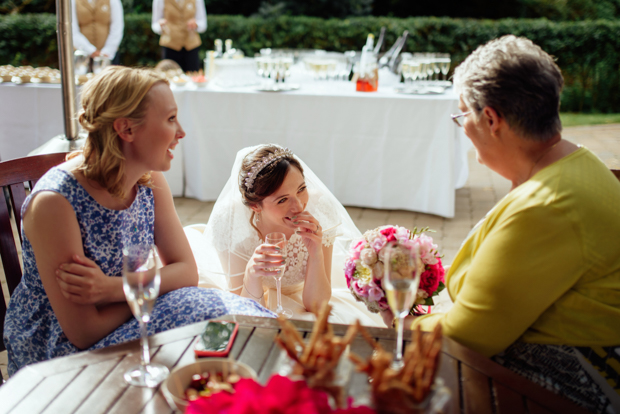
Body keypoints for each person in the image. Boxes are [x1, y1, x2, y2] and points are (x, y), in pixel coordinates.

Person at [383, 35, 620, 413]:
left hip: (579, 380)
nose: (462, 127)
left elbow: (467, 336)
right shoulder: (579, 163)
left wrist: (398, 325)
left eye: (463, 115)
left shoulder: (548, 205)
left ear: (491, 119)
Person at [3, 67, 274, 376]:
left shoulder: (149, 180)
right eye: (171, 119)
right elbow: (84, 331)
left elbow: (187, 272)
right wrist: (151, 293)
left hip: (129, 320)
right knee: (215, 320)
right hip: (59, 355)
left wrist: (112, 289)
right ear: (126, 129)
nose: (181, 132)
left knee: (236, 327)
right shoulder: (55, 202)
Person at [185, 144, 385, 327]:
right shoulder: (230, 223)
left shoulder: (320, 209)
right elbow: (244, 311)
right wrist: (252, 274)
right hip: (253, 300)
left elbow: (317, 307)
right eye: (282, 200)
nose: (298, 206)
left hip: (308, 297)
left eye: (301, 189)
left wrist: (315, 251)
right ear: (256, 206)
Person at [151, 0, 206, 72]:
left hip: (191, 45)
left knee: (192, 76)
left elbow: (203, 24)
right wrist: (160, 26)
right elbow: (155, 23)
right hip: (170, 45)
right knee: (169, 76)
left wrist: (196, 24)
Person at [72, 0, 124, 64]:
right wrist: (91, 50)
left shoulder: (113, 1)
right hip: (82, 56)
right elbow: (72, 30)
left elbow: (117, 27)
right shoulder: (73, 1)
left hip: (109, 55)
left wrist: (106, 52)